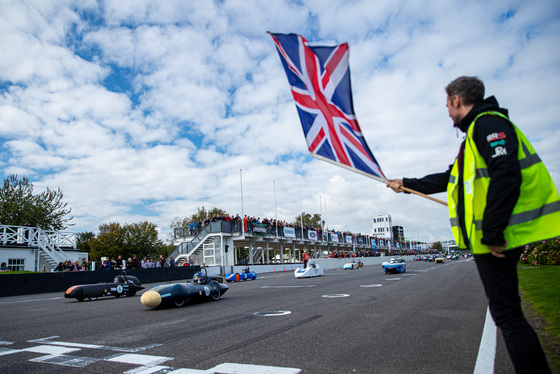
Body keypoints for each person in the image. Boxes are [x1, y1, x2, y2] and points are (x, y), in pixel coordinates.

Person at [386, 76, 559, 374]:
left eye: (447, 105)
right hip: (493, 238)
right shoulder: (474, 136)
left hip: (496, 239)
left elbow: (506, 174)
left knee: (507, 315)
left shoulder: (488, 124)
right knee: (507, 313)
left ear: (456, 100)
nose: (448, 112)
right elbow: (447, 178)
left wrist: (492, 231)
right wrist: (407, 184)